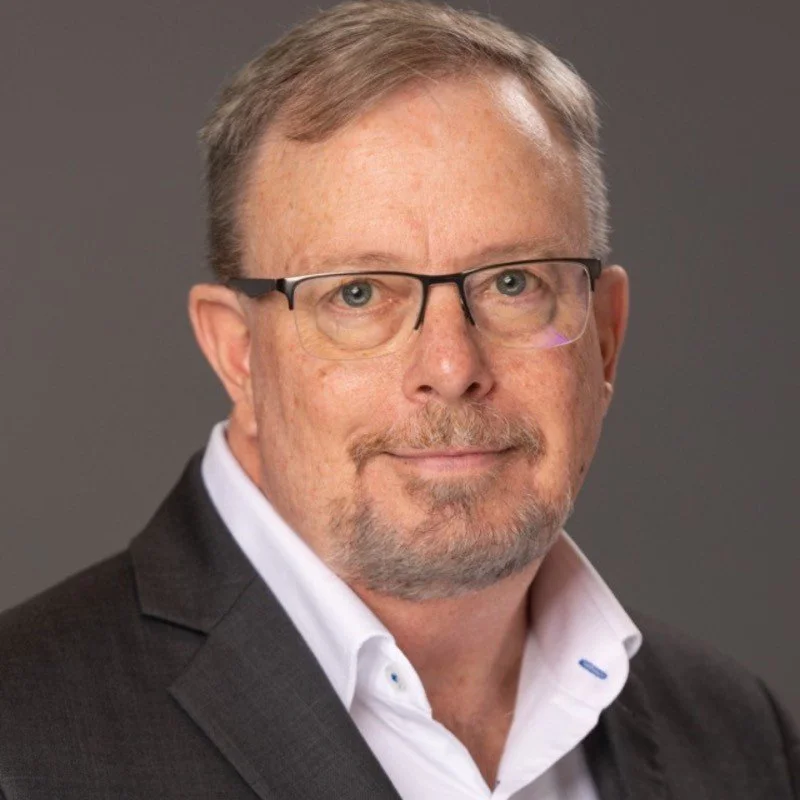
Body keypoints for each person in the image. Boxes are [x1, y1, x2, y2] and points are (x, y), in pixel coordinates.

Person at [0, 1, 797, 797]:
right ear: (238, 353)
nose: (450, 366)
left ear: (606, 338)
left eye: (513, 282)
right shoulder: (22, 736)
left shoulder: (741, 740)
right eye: (355, 294)